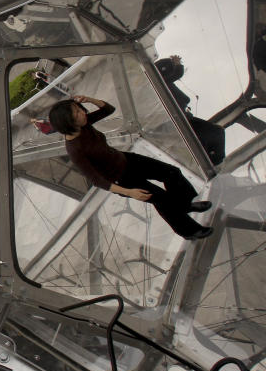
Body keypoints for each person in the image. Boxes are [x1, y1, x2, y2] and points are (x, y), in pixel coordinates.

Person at [48, 95, 213, 240]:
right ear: (68, 123)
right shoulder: (75, 149)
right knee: (162, 200)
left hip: (126, 159)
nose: (82, 113)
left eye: (79, 109)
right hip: (122, 179)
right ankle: (189, 231)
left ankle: (186, 204)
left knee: (171, 173)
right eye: (76, 113)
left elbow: (108, 109)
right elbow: (96, 180)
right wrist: (129, 192)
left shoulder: (83, 124)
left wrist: (89, 100)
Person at [155, 55, 226, 164]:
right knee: (217, 132)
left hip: (180, 119)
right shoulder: (160, 82)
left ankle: (210, 161)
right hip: (179, 120)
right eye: (170, 68)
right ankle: (213, 163)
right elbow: (177, 73)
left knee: (212, 134)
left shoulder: (165, 85)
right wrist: (177, 63)